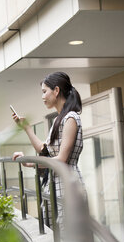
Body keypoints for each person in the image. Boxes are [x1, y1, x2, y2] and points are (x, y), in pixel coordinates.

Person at [12, 71, 84, 233]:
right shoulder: (60, 119)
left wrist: (33, 162)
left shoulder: (70, 118)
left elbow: (61, 159)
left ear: (56, 91)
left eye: (45, 91)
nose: (42, 96)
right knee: (57, 239)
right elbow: (45, 151)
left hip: (67, 186)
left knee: (67, 239)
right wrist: (27, 129)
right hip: (56, 185)